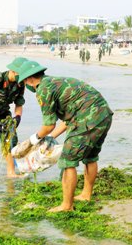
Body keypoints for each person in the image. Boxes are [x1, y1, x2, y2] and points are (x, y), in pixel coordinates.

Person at [17, 60, 113, 212]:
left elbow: (48, 125)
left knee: (68, 160)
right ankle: (86, 194)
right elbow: (67, 120)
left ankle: (67, 205)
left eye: (24, 82)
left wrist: (32, 141)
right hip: (103, 115)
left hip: (87, 119)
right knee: (91, 157)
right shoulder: (55, 81)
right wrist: (51, 137)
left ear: (29, 79)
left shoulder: (43, 89)